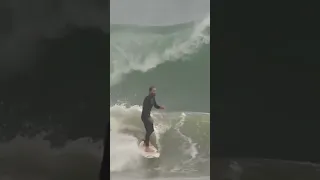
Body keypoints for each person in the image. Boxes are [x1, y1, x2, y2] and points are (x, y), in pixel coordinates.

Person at [141, 86, 164, 152]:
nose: (154, 92)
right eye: (153, 91)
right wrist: (147, 118)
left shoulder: (153, 98)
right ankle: (147, 145)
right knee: (149, 130)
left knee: (150, 130)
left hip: (148, 116)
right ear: (150, 91)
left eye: (155, 91)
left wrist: (160, 107)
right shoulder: (147, 98)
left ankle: (146, 141)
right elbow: (144, 109)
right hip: (144, 116)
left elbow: (155, 106)